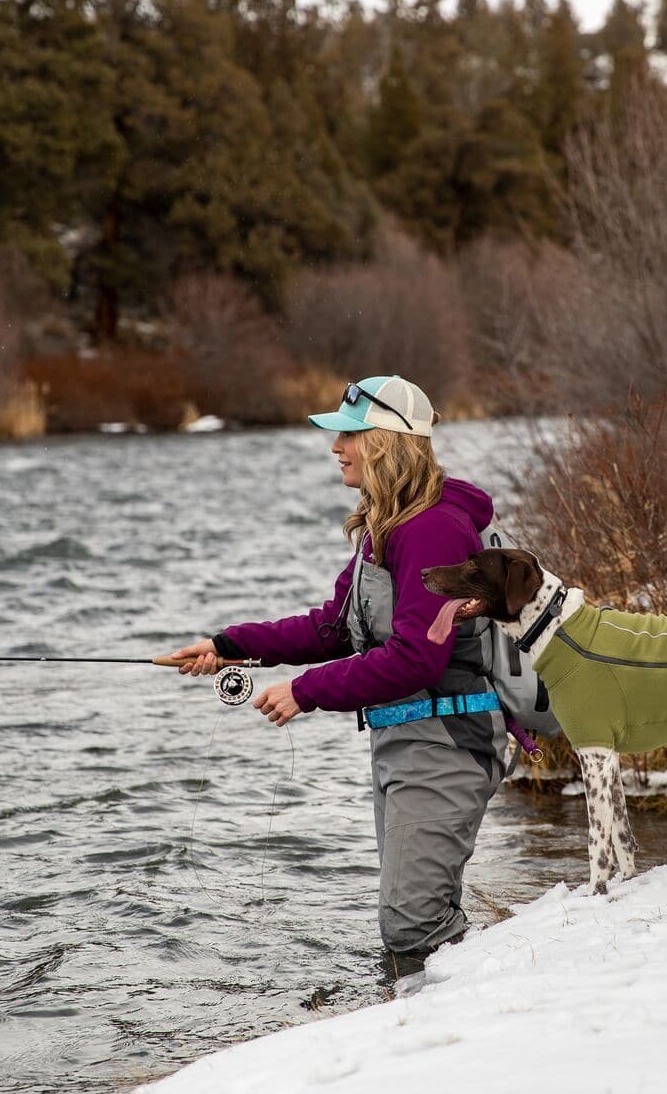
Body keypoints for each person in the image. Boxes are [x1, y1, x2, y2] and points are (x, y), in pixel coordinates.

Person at [168, 375, 505, 974]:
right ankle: (432, 1018)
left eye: (348, 434)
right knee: (412, 919)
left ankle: (464, 1019)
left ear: (386, 441)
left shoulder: (432, 529)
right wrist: (229, 645)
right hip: (404, 740)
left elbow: (416, 657)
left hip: (447, 742)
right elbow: (334, 628)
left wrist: (305, 691)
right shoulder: (387, 527)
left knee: (412, 923)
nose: (335, 447)